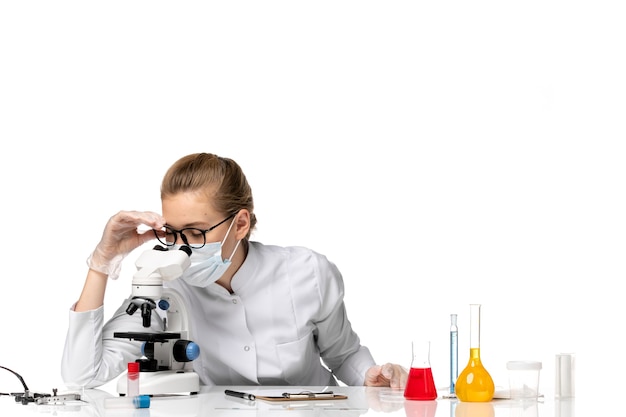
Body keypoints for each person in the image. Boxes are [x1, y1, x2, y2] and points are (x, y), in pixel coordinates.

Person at [61, 152, 407, 389]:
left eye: (197, 232)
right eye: (173, 234)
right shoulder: (167, 287)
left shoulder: (307, 272)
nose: (182, 247)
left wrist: (369, 376)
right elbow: (82, 375)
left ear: (240, 224)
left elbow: (343, 355)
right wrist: (102, 262)